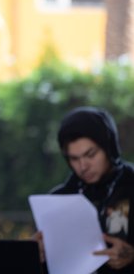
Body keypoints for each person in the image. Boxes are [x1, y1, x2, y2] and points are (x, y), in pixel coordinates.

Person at [35, 106, 134, 273]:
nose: (83, 166)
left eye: (91, 154)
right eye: (74, 158)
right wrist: (36, 254)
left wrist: (132, 256)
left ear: (109, 148)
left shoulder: (130, 186)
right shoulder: (59, 199)